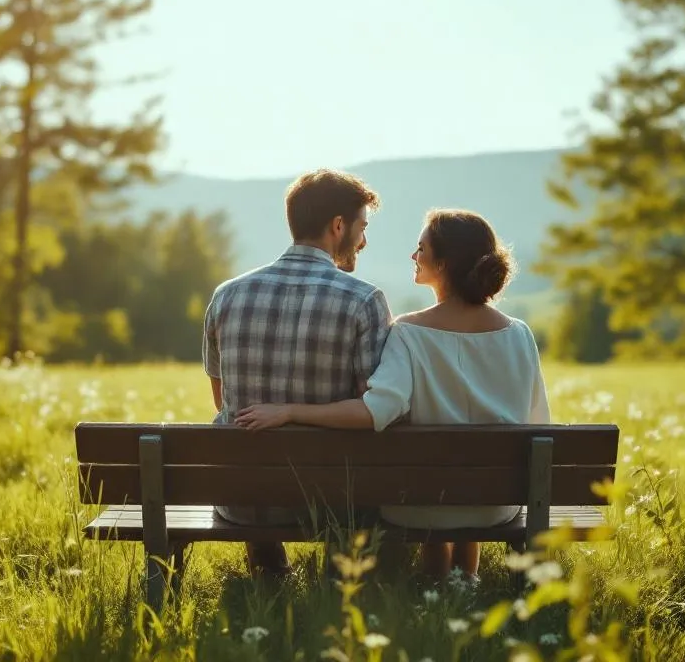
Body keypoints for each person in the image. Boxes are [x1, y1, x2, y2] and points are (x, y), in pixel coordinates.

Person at [235, 208, 550, 580]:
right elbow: (538, 420)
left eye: (421, 248)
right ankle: (465, 583)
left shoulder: (408, 333)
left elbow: (374, 411)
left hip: (420, 502)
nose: (413, 256)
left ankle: (437, 588)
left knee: (437, 490)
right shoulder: (519, 334)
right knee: (466, 483)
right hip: (496, 503)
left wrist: (290, 411)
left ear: (444, 263)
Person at [202, 169, 393, 577]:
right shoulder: (364, 300)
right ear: (338, 226)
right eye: (362, 228)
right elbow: (371, 408)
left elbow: (224, 402)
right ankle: (339, 580)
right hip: (333, 499)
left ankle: (268, 569)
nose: (363, 241)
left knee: (250, 456)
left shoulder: (227, 295)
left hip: (243, 498)